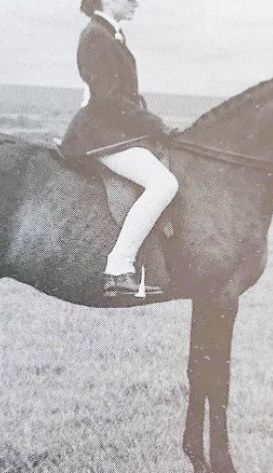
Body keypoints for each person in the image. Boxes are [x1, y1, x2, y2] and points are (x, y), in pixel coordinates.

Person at [61, 0, 179, 298]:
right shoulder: (96, 36)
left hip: (112, 130)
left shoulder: (110, 34)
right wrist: (156, 125)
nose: (136, 2)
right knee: (163, 184)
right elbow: (108, 100)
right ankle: (118, 267)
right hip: (98, 134)